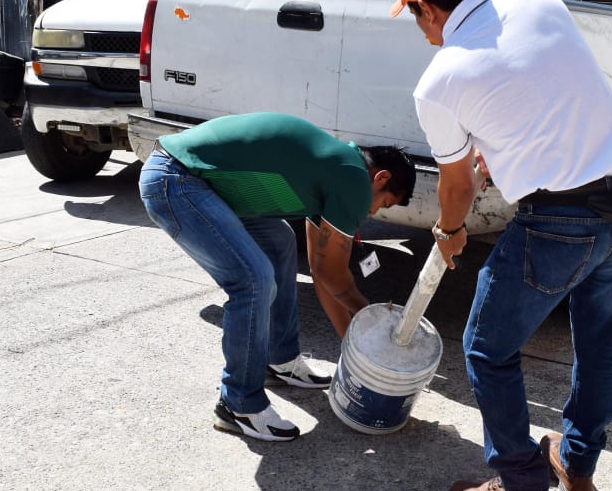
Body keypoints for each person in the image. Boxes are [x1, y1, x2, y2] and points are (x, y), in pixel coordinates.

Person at [390, 0, 612, 491]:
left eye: (413, 17)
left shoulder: (438, 81)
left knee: (487, 348)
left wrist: (450, 230)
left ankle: (521, 488)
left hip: (561, 223)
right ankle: (577, 465)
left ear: (425, 10)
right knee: (602, 348)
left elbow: (457, 186)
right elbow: (543, 85)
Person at [139, 112, 415, 442]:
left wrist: (353, 351)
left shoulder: (336, 168)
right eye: (384, 204)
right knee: (253, 280)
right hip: (177, 181)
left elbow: (320, 270)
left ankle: (279, 360)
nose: (374, 213)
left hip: (197, 182)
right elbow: (333, 275)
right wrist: (372, 326)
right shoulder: (354, 178)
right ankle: (238, 403)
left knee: (280, 242)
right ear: (380, 178)